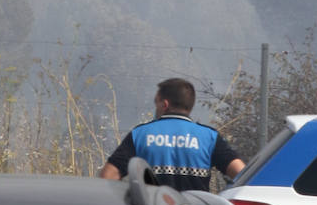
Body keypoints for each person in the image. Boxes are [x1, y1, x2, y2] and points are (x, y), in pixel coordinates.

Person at [99, 77, 244, 191]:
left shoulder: (140, 135)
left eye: (156, 102)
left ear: (165, 105)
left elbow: (108, 176)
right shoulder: (209, 138)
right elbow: (241, 173)